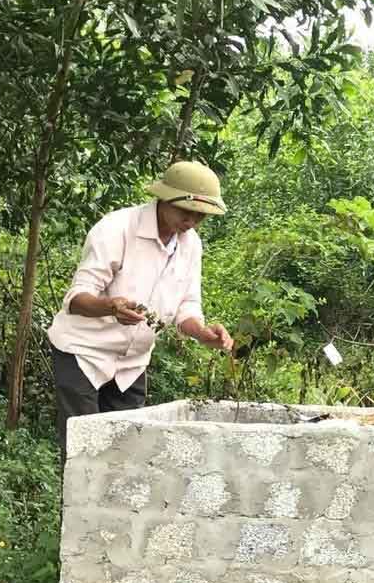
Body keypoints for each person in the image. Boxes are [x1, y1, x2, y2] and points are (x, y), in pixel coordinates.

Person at [47, 161, 234, 458]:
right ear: (164, 199)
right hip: (83, 352)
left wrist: (202, 332)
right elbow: (77, 298)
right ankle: (76, 505)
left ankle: (113, 505)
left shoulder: (191, 245)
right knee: (83, 449)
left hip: (132, 362)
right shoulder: (117, 228)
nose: (192, 221)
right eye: (186, 211)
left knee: (126, 449)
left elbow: (187, 305)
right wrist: (111, 306)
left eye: (200, 216)